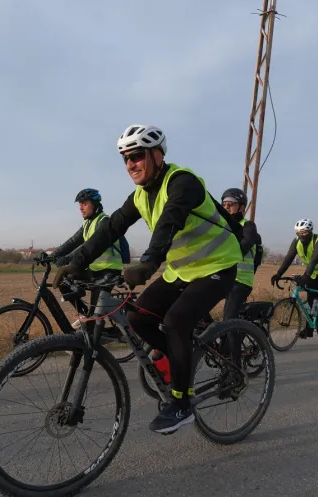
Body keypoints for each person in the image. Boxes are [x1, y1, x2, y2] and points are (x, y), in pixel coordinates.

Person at [52, 124, 242, 434]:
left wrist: (149, 262)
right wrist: (75, 262)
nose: (130, 164)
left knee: (177, 319)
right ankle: (182, 360)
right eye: (125, 158)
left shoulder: (183, 182)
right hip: (182, 270)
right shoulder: (140, 195)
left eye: (137, 156)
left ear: (156, 155)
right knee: (137, 317)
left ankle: (182, 404)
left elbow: (171, 220)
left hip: (216, 266)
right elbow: (112, 228)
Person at [50, 188, 127, 329]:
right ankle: (85, 314)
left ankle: (95, 326)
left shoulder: (104, 222)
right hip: (93, 270)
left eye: (84, 203)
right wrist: (52, 255)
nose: (80, 207)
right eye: (80, 204)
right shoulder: (87, 223)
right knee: (63, 280)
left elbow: (89, 245)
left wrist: (67, 258)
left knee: (94, 320)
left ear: (95, 204)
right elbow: (73, 241)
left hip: (108, 271)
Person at [271, 218, 318, 336]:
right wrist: (279, 274)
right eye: (299, 232)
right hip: (314, 271)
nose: (301, 235)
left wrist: (305, 276)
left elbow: (315, 258)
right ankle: (310, 327)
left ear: (311, 231)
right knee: (311, 298)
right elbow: (289, 258)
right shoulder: (296, 242)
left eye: (304, 232)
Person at [219, 187, 262, 320]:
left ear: (242, 207)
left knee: (229, 318)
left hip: (240, 280)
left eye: (231, 204)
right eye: (224, 204)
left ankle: (232, 340)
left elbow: (246, 243)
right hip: (222, 276)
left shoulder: (248, 226)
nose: (226, 206)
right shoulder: (220, 226)